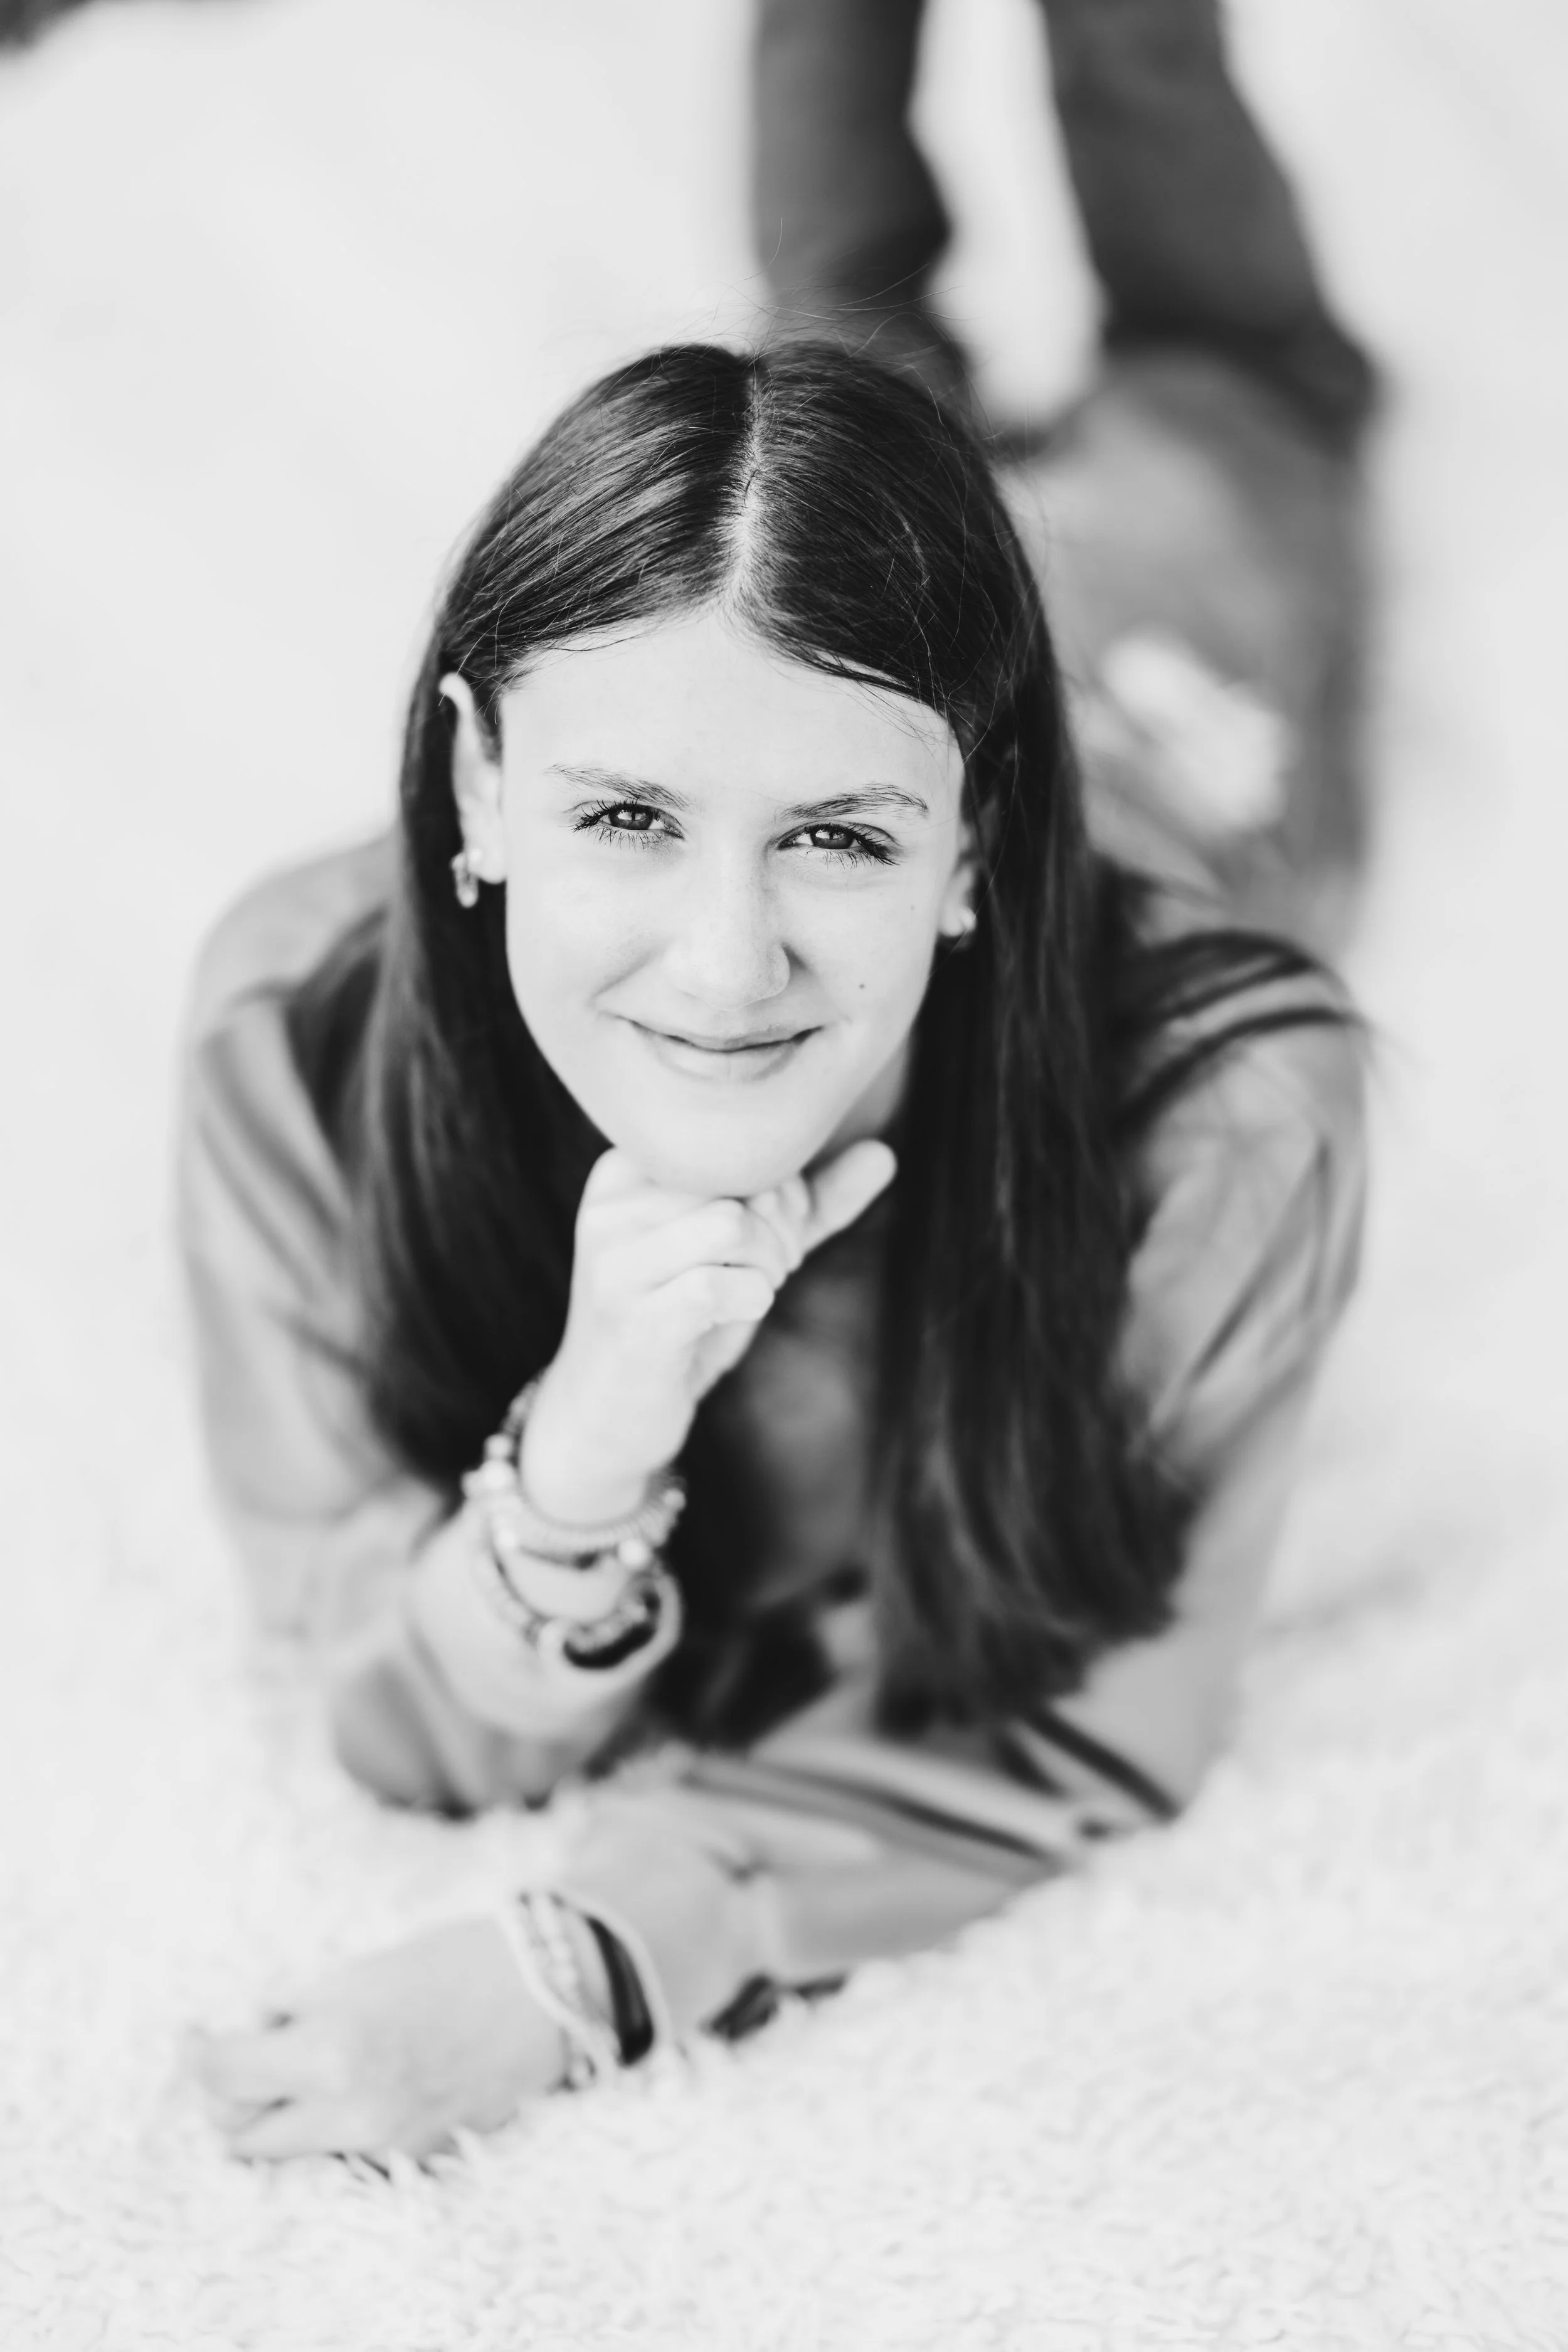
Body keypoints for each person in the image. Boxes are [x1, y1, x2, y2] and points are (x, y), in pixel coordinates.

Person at [179, 334, 1365, 2163]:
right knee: (840, 333)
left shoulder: (1230, 1110)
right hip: (901, 630)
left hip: (1176, 707)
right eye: (625, 818)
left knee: (1217, 390)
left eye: (832, 839)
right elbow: (388, 1721)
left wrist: (597, 1953)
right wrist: (584, 1444)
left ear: (970, 846)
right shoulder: (289, 1018)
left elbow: (1101, 1723)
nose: (725, 964)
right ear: (482, 785)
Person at [754, 0, 1381, 951]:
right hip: (1174, 475)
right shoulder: (1249, 951)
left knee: (1136, 79)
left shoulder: (1260, 951)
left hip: (1181, 493)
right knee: (838, 274)